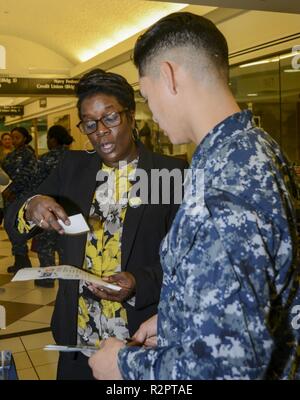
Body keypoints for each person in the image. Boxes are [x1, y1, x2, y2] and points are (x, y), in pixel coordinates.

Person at [88, 12, 300, 380]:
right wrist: (175, 320)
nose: (150, 111)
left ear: (168, 76)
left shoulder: (224, 188)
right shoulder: (250, 150)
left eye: (146, 94)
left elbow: (228, 368)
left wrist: (122, 366)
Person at [5, 69, 187, 380]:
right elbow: (15, 219)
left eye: (110, 118)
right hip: (78, 339)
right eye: (90, 124)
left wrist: (139, 282)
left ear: (129, 116)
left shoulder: (168, 174)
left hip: (138, 340)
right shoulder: (73, 168)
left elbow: (186, 262)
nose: (100, 131)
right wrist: (32, 206)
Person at [33, 125, 74, 288]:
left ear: (53, 139)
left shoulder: (45, 159)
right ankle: (68, 279)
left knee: (45, 246)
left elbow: (36, 184)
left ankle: (47, 278)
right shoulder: (74, 157)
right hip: (70, 208)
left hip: (48, 209)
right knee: (66, 245)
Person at [2, 127, 37, 273]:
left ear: (24, 138)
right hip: (8, 196)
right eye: (12, 137)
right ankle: (19, 259)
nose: (14, 140)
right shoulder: (11, 155)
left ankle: (23, 260)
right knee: (10, 227)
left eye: (17, 137)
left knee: (17, 226)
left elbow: (26, 176)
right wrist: (4, 189)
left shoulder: (28, 154)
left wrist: (12, 190)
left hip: (21, 197)